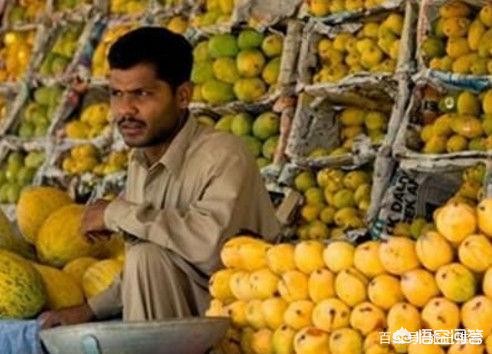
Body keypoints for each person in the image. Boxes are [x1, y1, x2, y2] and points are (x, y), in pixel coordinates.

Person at [39, 27, 280, 327]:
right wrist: (91, 310)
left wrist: (116, 213)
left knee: (146, 257)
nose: (125, 110)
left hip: (241, 326)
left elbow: (208, 248)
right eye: (117, 94)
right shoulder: (140, 160)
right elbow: (147, 266)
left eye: (142, 94)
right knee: (144, 256)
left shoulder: (223, 156)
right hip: (175, 326)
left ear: (182, 96)